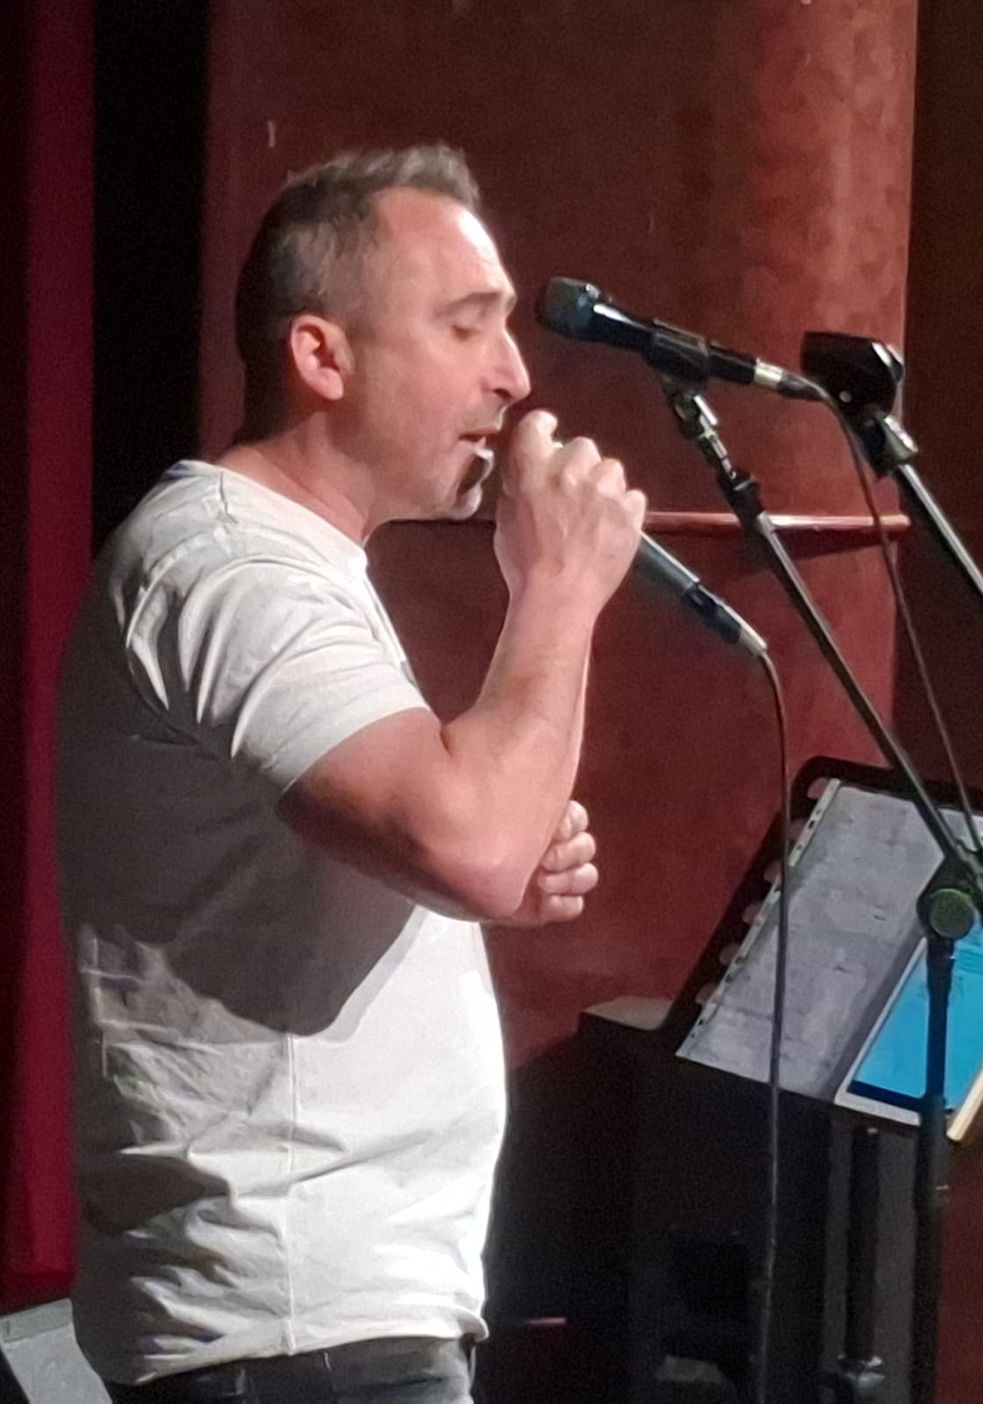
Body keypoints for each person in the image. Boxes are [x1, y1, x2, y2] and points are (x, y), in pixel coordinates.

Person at [55, 146, 645, 1403]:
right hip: (293, 1331)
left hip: (326, 1322)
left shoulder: (292, 565)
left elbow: (434, 848)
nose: (513, 375)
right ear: (322, 357)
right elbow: (467, 842)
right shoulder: (232, 570)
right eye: (464, 326)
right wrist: (558, 586)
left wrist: (467, 869)